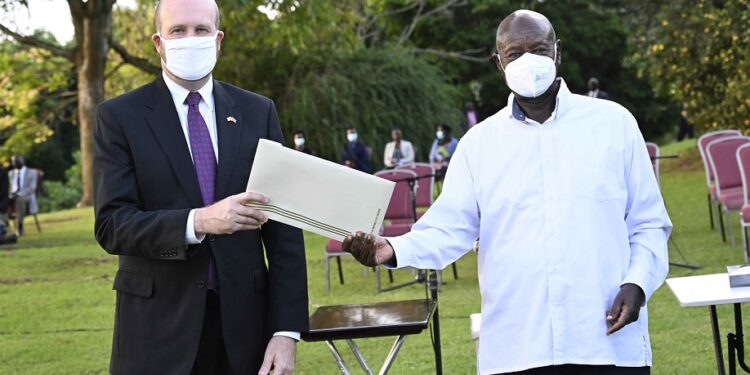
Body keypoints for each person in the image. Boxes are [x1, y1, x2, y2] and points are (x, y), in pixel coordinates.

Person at [343, 9, 670, 375]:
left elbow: (649, 224)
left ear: (557, 51)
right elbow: (450, 227)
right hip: (519, 347)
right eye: (515, 53)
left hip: (605, 339)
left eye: (539, 48)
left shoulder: (614, 125)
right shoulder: (479, 145)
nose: (528, 60)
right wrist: (393, 248)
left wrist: (637, 283)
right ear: (499, 63)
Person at [93, 0, 308, 374]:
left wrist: (286, 332)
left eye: (201, 30)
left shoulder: (258, 112)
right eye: (178, 31)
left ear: (218, 38)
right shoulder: (118, 118)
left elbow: (284, 233)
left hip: (245, 333)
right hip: (156, 332)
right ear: (159, 42)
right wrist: (199, 221)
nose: (190, 39)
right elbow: (113, 224)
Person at [8, 155, 37, 237]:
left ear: (23, 161)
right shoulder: (10, 173)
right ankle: (4, 227)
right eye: (13, 161)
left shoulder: (32, 172)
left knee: (19, 199)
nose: (14, 163)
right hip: (11, 195)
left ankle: (20, 225)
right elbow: (8, 188)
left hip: (25, 196)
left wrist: (18, 194)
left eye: (17, 161)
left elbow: (32, 188)